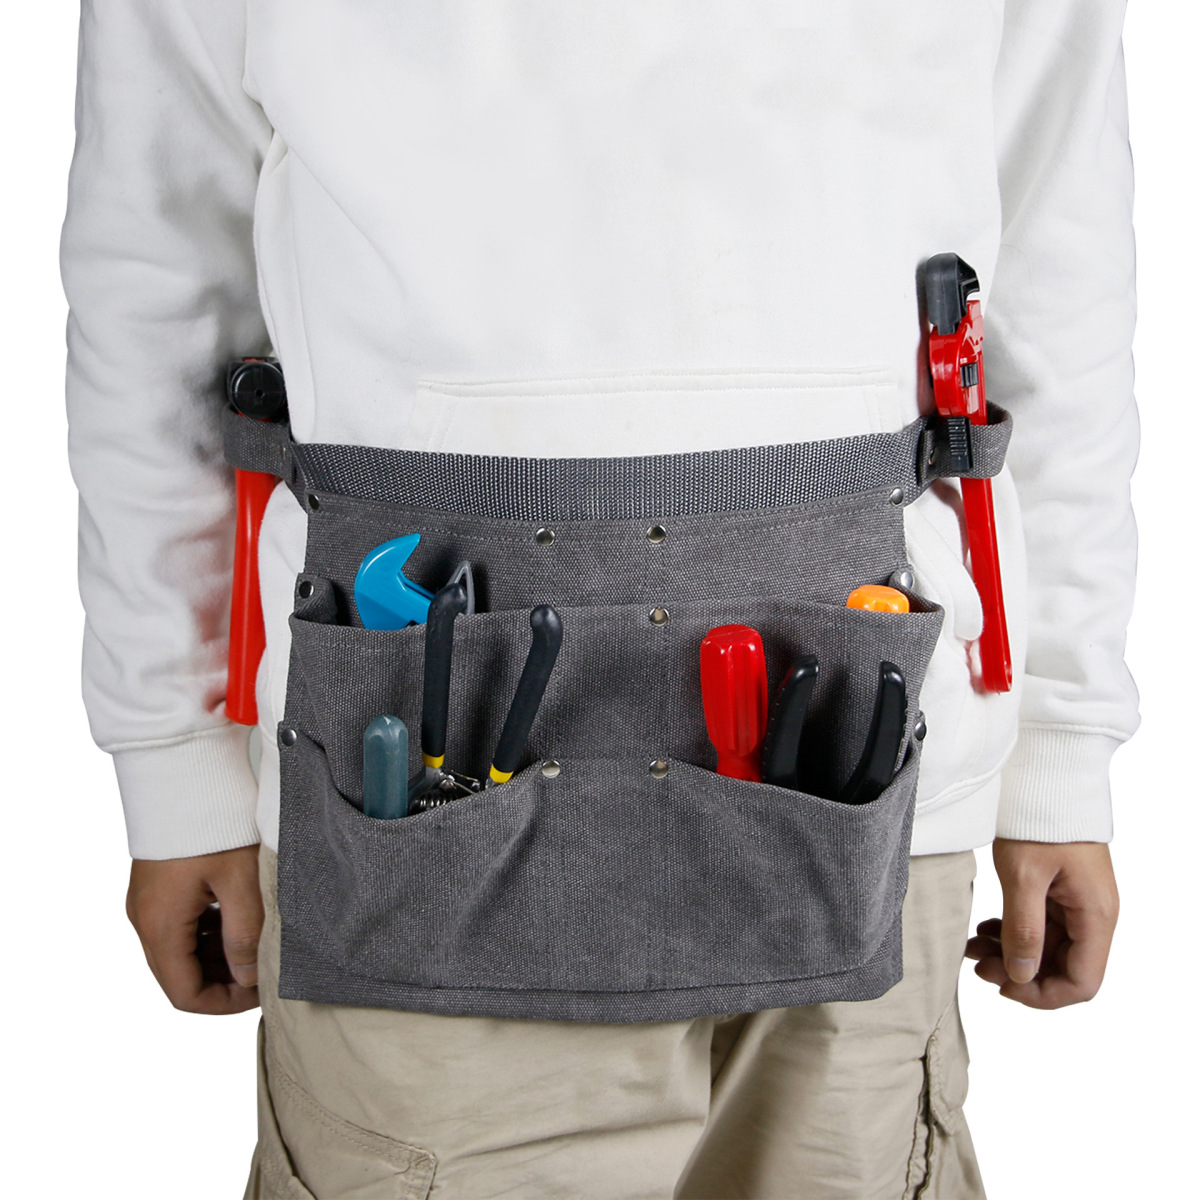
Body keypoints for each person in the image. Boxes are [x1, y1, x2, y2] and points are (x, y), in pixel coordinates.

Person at [61, 2, 1136, 1196]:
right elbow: (155, 289)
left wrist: (1060, 746)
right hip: (405, 843)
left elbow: (1058, 284)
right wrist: (177, 765)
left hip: (874, 813)